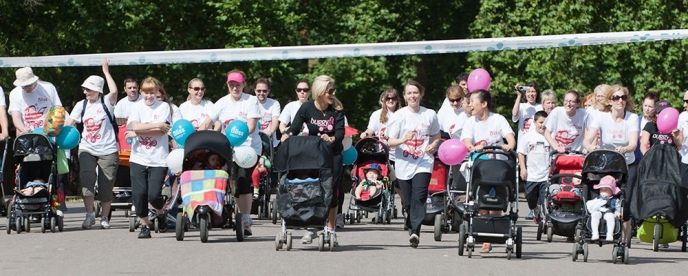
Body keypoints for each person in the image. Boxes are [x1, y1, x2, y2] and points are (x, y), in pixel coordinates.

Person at [281, 75, 345, 246]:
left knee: (331, 192)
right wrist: (287, 135)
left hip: (333, 154)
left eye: (333, 90)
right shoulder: (307, 108)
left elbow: (340, 133)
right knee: (313, 188)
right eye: (330, 91)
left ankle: (330, 230)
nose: (333, 93)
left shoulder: (337, 108)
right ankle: (312, 227)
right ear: (320, 92)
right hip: (314, 154)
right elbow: (294, 127)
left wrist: (331, 139)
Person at [203, 69, 262, 237]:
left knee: (243, 180)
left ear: (244, 84)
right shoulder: (221, 103)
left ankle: (245, 219)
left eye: (238, 84)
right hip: (227, 149)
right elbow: (207, 121)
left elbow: (250, 127)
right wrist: (198, 134)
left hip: (248, 149)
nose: (235, 88)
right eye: (231, 85)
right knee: (230, 181)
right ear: (227, 85)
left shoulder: (251, 101)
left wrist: (238, 135)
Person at [64, 60, 119, 229]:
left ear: (98, 90)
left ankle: (104, 217)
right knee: (86, 178)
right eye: (84, 89)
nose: (85, 92)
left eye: (88, 89)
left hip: (108, 149)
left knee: (106, 183)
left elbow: (115, 90)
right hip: (87, 147)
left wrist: (106, 72)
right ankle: (89, 215)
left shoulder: (107, 102)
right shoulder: (82, 104)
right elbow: (70, 123)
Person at [387, 80, 441, 248]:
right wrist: (404, 138)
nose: (412, 96)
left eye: (415, 92)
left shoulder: (430, 114)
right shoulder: (399, 116)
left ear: (421, 94)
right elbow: (390, 142)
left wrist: (434, 144)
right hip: (403, 163)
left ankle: (415, 232)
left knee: (420, 196)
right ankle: (411, 222)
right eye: (409, 93)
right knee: (409, 201)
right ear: (404, 96)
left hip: (423, 162)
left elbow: (436, 134)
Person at [461, 89, 516, 253]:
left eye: (472, 101)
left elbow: (511, 138)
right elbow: (466, 140)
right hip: (480, 166)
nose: (470, 105)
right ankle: (486, 236)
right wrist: (472, 146)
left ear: (484, 104)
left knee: (496, 201)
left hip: (497, 167)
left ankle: (495, 232)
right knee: (482, 201)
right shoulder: (471, 122)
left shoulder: (498, 119)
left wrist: (508, 146)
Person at [583, 84, 638, 242]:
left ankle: (623, 238)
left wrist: (626, 148)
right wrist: (590, 147)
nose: (620, 101)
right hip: (607, 165)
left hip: (626, 164)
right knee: (602, 196)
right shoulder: (601, 117)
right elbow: (587, 139)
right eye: (616, 97)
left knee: (625, 204)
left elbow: (633, 143)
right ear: (609, 101)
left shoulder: (632, 118)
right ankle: (595, 228)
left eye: (623, 97)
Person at [127, 77, 173, 239]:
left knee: (154, 195)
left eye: (152, 93)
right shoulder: (137, 107)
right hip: (138, 157)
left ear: (157, 92)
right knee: (139, 194)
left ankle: (160, 213)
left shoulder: (164, 107)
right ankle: (145, 225)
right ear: (141, 93)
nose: (149, 96)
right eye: (146, 93)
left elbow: (161, 132)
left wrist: (140, 131)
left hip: (158, 158)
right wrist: (154, 126)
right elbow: (135, 126)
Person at [359, 88, 403, 206]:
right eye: (387, 98)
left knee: (398, 182)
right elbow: (371, 129)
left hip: (399, 153)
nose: (390, 100)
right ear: (382, 100)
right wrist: (366, 134)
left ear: (397, 100)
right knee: (380, 178)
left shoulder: (402, 114)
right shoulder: (376, 114)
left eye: (393, 98)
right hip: (382, 153)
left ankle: (405, 202)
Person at [9, 67, 63, 135]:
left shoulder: (48, 87)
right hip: (27, 134)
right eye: (23, 86)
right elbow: (16, 118)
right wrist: (23, 128)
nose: (26, 88)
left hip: (47, 132)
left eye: (29, 85)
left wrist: (52, 123)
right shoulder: (15, 93)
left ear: (35, 81)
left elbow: (58, 108)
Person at [518, 111, 550, 223]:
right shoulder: (528, 136)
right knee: (530, 198)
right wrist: (523, 168)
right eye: (541, 122)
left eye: (545, 122)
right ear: (535, 122)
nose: (543, 125)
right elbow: (521, 153)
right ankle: (535, 210)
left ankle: (546, 219)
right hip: (531, 175)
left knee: (546, 200)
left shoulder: (550, 136)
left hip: (546, 175)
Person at [586, 175, 622, 241]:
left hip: (609, 211)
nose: (603, 191)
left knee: (610, 216)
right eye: (602, 189)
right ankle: (595, 233)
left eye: (606, 190)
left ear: (612, 191)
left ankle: (610, 234)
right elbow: (591, 205)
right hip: (598, 211)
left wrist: (617, 211)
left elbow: (618, 207)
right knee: (594, 214)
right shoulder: (597, 199)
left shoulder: (615, 200)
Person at [511, 83, 542, 148]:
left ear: (537, 93)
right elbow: (514, 114)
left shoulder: (541, 107)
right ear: (525, 93)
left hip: (536, 145)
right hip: (522, 145)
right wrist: (519, 96)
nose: (531, 94)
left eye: (533, 91)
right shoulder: (522, 106)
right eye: (528, 92)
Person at [254, 78, 281, 148]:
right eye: (259, 91)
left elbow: (275, 121)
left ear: (268, 91)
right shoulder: (250, 102)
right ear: (255, 91)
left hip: (269, 142)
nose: (261, 93)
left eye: (264, 91)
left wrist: (271, 132)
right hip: (253, 141)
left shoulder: (274, 103)